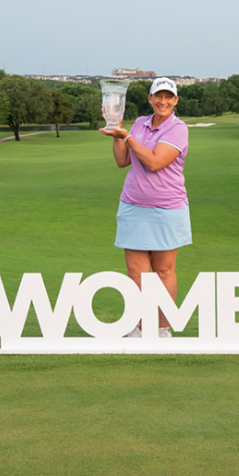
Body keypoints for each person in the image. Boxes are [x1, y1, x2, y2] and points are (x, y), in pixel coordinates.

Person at [100, 76, 190, 338]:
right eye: (157, 96)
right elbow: (121, 161)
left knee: (163, 271)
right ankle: (140, 327)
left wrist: (127, 137)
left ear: (175, 101)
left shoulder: (178, 129)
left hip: (166, 208)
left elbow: (154, 162)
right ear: (150, 98)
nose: (163, 101)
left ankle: (162, 328)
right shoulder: (139, 123)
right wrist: (117, 128)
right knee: (137, 273)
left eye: (168, 97)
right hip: (133, 205)